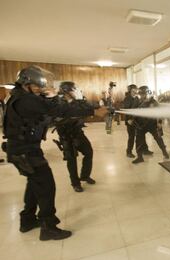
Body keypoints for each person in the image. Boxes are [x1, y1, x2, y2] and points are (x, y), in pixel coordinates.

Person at [3, 66, 107, 241]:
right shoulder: (26, 100)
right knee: (46, 186)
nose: (40, 90)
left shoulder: (21, 97)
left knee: (35, 183)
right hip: (25, 152)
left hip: (21, 150)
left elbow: (51, 108)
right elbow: (59, 110)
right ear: (26, 84)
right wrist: (93, 111)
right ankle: (48, 227)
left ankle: (27, 220)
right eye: (37, 86)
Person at [53, 81, 96, 192]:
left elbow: (88, 108)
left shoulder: (78, 100)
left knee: (89, 152)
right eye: (73, 89)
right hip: (66, 135)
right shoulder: (58, 102)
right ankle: (75, 183)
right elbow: (66, 114)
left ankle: (85, 175)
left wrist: (96, 105)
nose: (75, 91)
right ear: (66, 91)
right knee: (71, 160)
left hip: (77, 132)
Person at [132, 86, 169, 164]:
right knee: (138, 140)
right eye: (141, 94)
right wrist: (133, 120)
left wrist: (159, 122)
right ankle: (139, 157)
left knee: (158, 138)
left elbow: (160, 111)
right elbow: (134, 111)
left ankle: (165, 152)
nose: (142, 95)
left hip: (152, 124)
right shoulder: (137, 101)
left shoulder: (153, 101)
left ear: (147, 93)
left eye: (143, 94)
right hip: (141, 125)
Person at [123, 84, 140, 158]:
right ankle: (129, 152)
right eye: (133, 90)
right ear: (130, 91)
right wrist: (129, 120)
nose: (135, 91)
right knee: (131, 137)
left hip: (137, 120)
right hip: (130, 121)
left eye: (136, 90)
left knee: (139, 136)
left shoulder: (137, 98)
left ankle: (142, 149)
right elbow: (126, 110)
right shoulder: (127, 98)